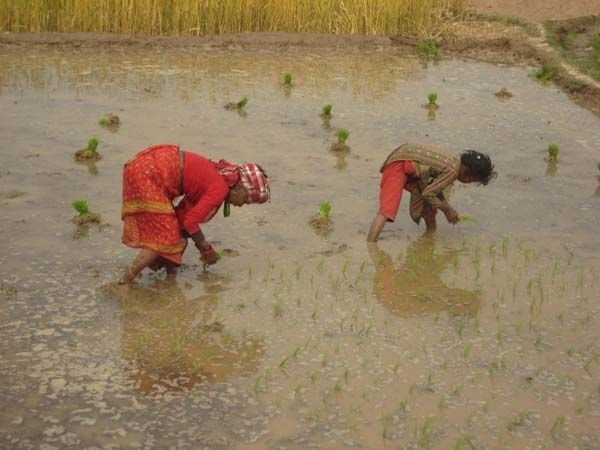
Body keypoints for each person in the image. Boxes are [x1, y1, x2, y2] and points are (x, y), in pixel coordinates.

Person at [119, 144, 270, 284]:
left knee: (176, 234)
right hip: (148, 174)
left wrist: (188, 239)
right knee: (164, 238)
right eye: (246, 201)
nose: (241, 205)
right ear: (240, 189)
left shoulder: (218, 176)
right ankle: (125, 281)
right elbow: (190, 221)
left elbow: (183, 221)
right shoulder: (219, 189)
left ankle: (170, 280)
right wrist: (205, 248)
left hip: (144, 165)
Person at [367, 143, 496, 241]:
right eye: (471, 180)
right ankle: (371, 245)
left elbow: (435, 189)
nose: (468, 183)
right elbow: (428, 193)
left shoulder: (453, 163)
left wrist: (447, 208)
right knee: (387, 210)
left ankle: (428, 239)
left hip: (409, 162)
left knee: (430, 208)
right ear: (468, 172)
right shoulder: (453, 171)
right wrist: (447, 210)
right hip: (399, 164)